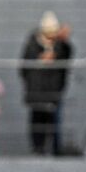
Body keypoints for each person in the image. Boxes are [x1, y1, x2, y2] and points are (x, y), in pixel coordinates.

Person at [20, 12, 74, 155]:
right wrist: (39, 62)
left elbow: (67, 57)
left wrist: (63, 42)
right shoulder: (32, 44)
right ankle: (38, 149)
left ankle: (56, 149)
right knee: (37, 122)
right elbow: (23, 68)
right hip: (36, 91)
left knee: (54, 122)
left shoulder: (60, 46)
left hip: (54, 92)